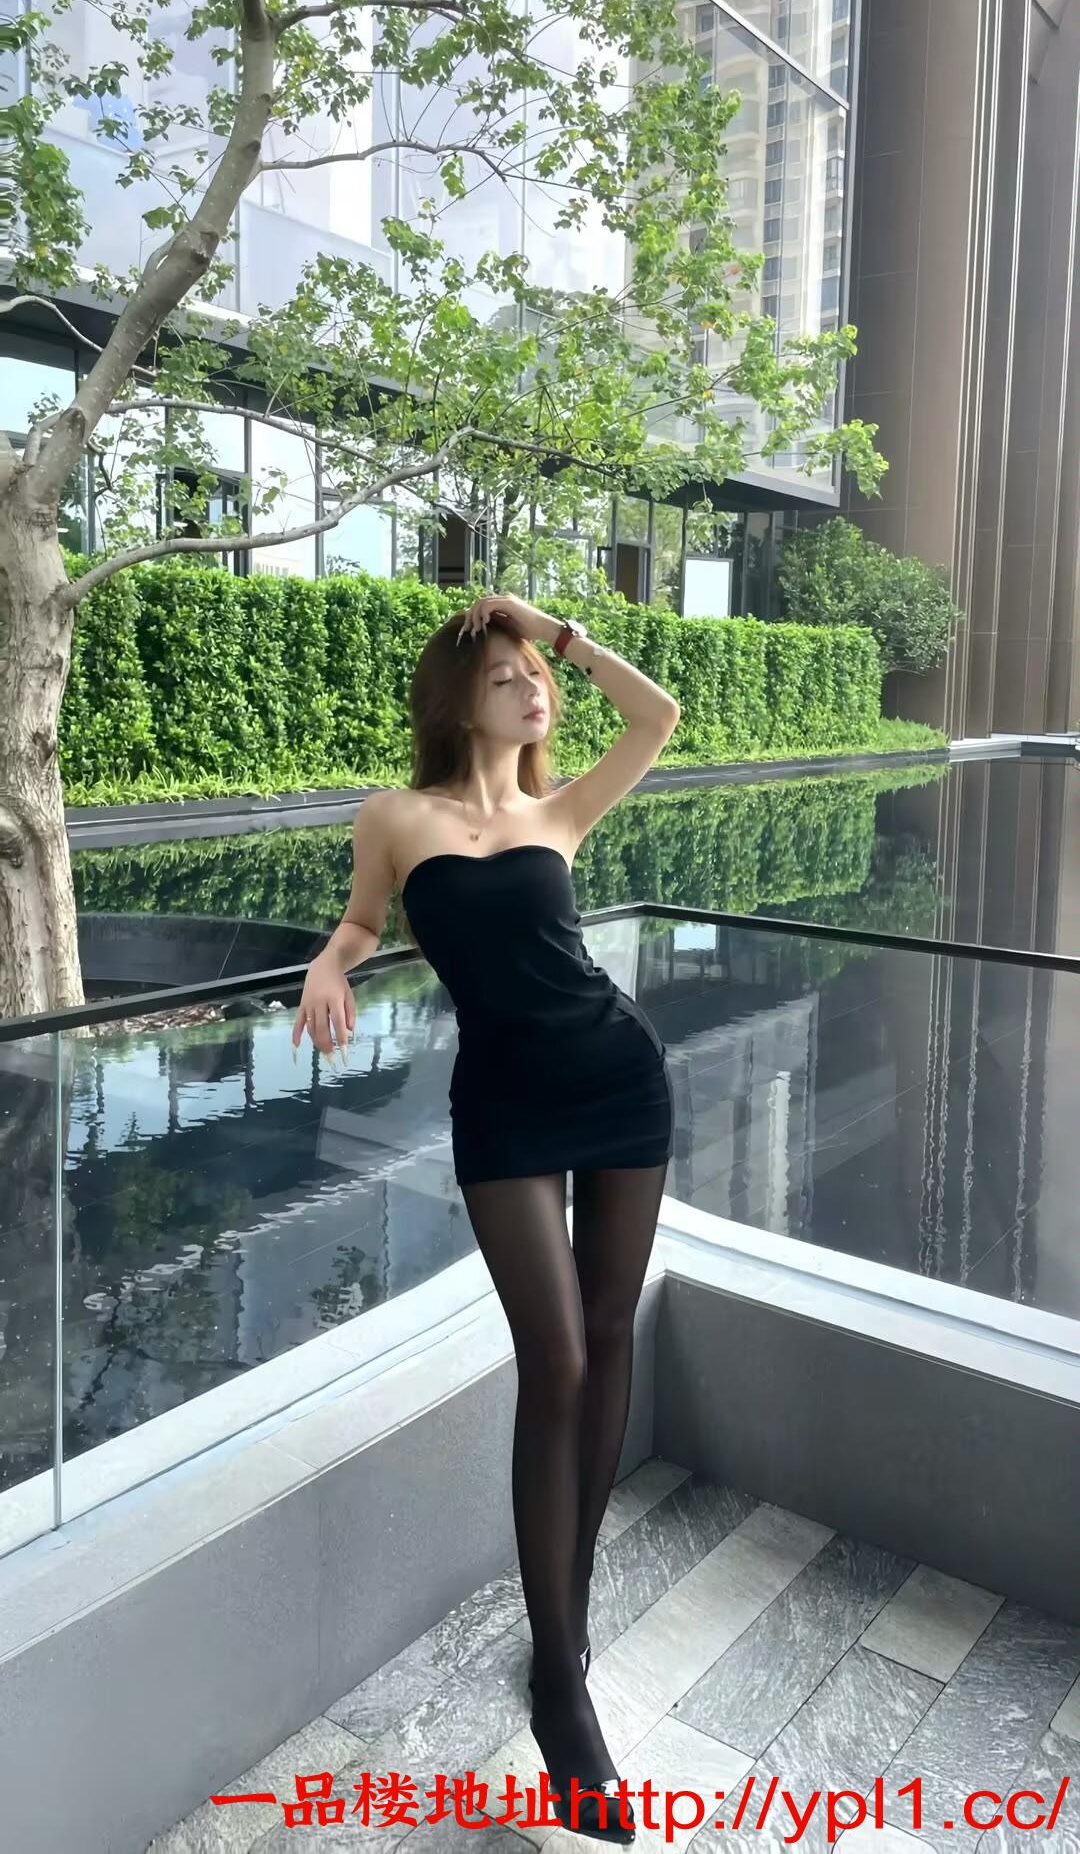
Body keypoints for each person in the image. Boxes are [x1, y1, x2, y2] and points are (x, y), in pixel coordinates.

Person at [292, 590, 681, 1845]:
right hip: (503, 1107)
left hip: (619, 1077)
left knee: (608, 1337)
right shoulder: (395, 817)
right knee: (555, 1357)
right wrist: (328, 960)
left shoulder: (558, 811)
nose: (534, 687)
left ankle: (564, 1631)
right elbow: (365, 918)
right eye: (507, 672)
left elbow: (659, 713)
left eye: (538, 676)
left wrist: (552, 627)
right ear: (459, 695)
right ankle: (561, 1673)